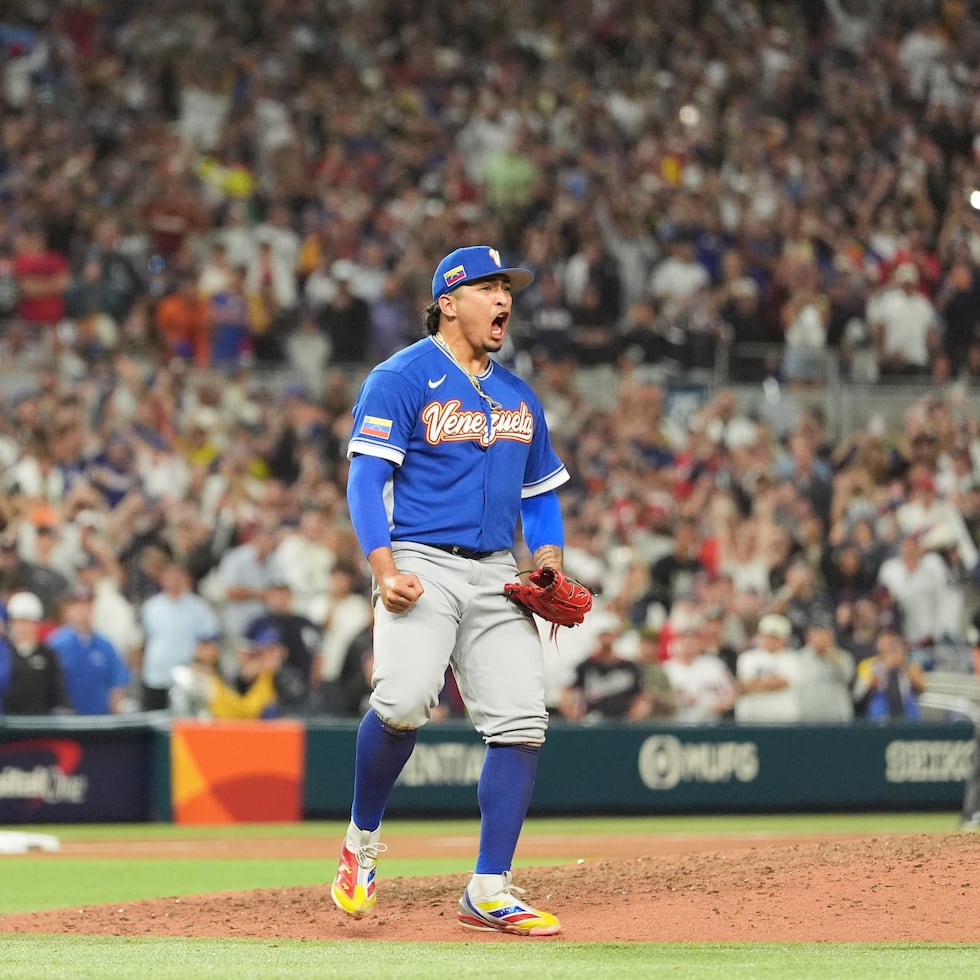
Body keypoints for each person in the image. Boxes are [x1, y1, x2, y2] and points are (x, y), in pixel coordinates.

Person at [331, 245, 575, 936]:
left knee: (523, 720)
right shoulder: (401, 376)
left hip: (499, 568)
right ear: (448, 301)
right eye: (489, 288)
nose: (504, 300)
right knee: (404, 702)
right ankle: (361, 844)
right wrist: (383, 570)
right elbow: (364, 480)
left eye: (508, 289)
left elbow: (540, 496)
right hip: (420, 559)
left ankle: (490, 887)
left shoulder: (519, 394)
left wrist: (549, 560)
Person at [138, 560, 219, 710]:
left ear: (186, 579)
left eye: (178, 575)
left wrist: (202, 666)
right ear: (162, 578)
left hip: (187, 678)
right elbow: (143, 641)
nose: (174, 580)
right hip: (155, 676)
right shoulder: (151, 607)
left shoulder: (199, 608)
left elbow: (209, 643)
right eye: (170, 575)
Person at [47, 585, 131, 715]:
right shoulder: (56, 644)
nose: (83, 611)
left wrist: (115, 716)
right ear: (68, 610)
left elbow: (117, 684)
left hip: (99, 719)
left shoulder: (105, 645)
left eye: (87, 605)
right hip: (66, 721)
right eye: (78, 606)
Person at [556, 613, 649, 723]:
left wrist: (636, 715)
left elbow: (642, 696)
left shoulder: (630, 667)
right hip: (592, 721)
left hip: (623, 722)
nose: (607, 639)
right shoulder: (585, 666)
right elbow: (566, 692)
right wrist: (573, 715)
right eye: (604, 635)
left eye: (609, 634)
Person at [0, 591, 70, 715]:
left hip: (40, 724)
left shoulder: (48, 654)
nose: (22, 628)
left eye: (27, 622)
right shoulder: (4, 653)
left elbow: (57, 693)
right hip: (9, 726)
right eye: (18, 622)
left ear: (36, 624)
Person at [734, 613, 804, 724]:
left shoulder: (793, 658)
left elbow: (784, 683)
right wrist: (772, 681)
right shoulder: (747, 657)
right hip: (752, 721)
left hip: (784, 722)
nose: (771, 640)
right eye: (767, 635)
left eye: (775, 637)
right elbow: (745, 686)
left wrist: (759, 682)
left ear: (784, 638)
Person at [796, 607, 856, 722]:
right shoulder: (799, 658)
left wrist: (829, 653)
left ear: (831, 634)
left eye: (824, 631)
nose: (820, 636)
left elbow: (848, 679)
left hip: (837, 719)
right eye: (816, 631)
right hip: (808, 719)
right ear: (809, 635)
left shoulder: (843, 657)